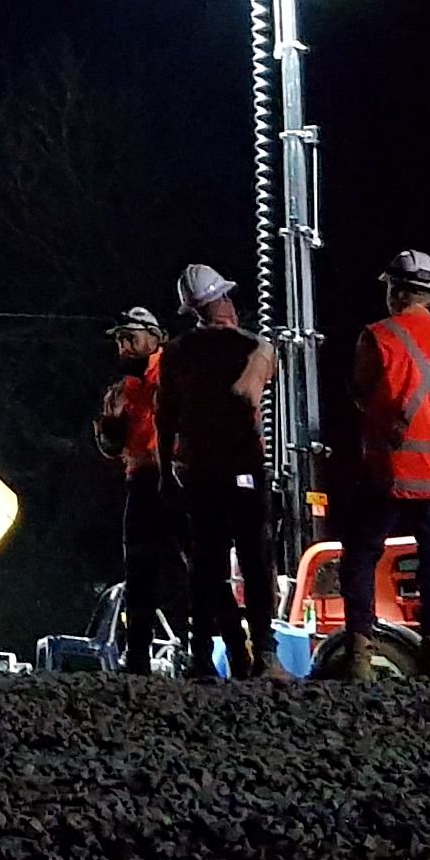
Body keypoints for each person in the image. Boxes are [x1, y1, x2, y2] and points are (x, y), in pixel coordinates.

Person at [328, 249, 430, 679]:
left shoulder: (378, 336)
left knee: (360, 553)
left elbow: (361, 391)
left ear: (397, 290)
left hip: (389, 469)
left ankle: (359, 651)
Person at [156, 264, 286, 682]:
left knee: (206, 566)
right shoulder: (252, 346)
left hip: (197, 473)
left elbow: (166, 415)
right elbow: (259, 386)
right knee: (255, 560)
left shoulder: (176, 353)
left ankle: (202, 658)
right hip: (244, 469)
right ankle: (265, 654)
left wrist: (164, 470)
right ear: (223, 302)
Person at [91, 306, 185, 672]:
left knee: (193, 567)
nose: (123, 346)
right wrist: (106, 433)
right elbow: (112, 448)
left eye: (130, 337)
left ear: (154, 337)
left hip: (177, 480)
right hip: (141, 483)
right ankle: (139, 654)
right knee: (139, 572)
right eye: (119, 340)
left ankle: (201, 649)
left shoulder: (174, 371)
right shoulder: (121, 389)